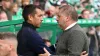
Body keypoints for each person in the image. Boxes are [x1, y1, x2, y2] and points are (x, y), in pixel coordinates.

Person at [17, 4, 88, 56]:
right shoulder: (29, 33)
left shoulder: (76, 32)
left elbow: (48, 52)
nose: (42, 19)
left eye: (59, 16)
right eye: (39, 16)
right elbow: (46, 51)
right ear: (30, 17)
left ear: (67, 18)